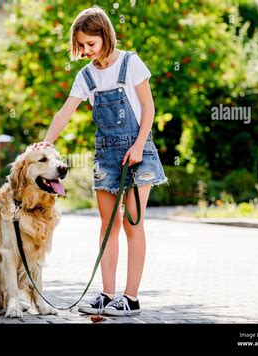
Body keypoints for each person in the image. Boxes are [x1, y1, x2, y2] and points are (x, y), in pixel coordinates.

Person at [33, 6, 168, 316]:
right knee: (109, 224)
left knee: (134, 225)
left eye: (90, 44)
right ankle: (107, 294)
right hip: (106, 154)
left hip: (137, 151)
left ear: (105, 35)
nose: (86, 51)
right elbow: (65, 111)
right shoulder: (86, 75)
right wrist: (47, 141)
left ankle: (130, 298)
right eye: (81, 46)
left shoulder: (131, 63)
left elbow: (149, 108)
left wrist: (137, 146)